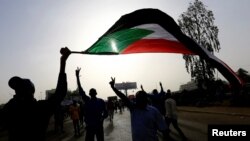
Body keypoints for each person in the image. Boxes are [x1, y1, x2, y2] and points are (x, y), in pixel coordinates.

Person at [0, 47, 71, 141]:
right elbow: (60, 93)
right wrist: (63, 62)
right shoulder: (40, 108)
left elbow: (60, 93)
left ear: (29, 92)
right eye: (16, 90)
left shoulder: (13, 108)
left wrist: (63, 62)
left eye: (20, 89)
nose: (17, 93)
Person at [75, 67, 108, 141]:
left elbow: (80, 90)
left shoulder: (89, 100)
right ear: (95, 93)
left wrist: (77, 77)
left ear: (90, 94)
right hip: (94, 126)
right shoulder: (99, 101)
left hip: (93, 126)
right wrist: (101, 119)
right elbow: (106, 113)